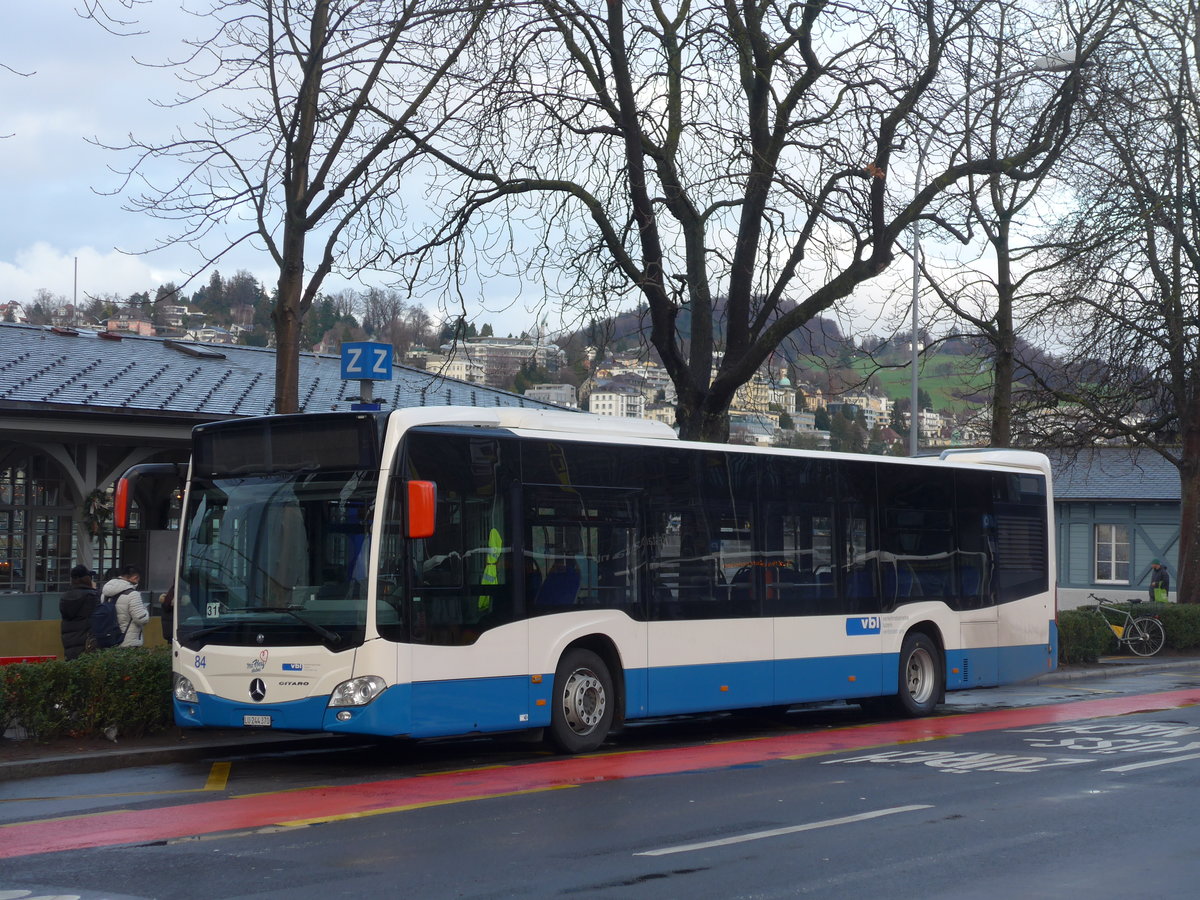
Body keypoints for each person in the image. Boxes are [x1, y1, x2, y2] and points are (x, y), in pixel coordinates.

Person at [103, 565, 150, 647]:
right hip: (128, 641)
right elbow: (141, 619)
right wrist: (145, 609)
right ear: (135, 577)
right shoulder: (133, 594)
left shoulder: (105, 593)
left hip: (109, 638)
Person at [59, 564, 99, 660]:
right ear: (86, 579)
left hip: (69, 643)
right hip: (86, 642)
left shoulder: (65, 597)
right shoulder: (91, 596)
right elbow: (97, 616)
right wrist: (94, 590)